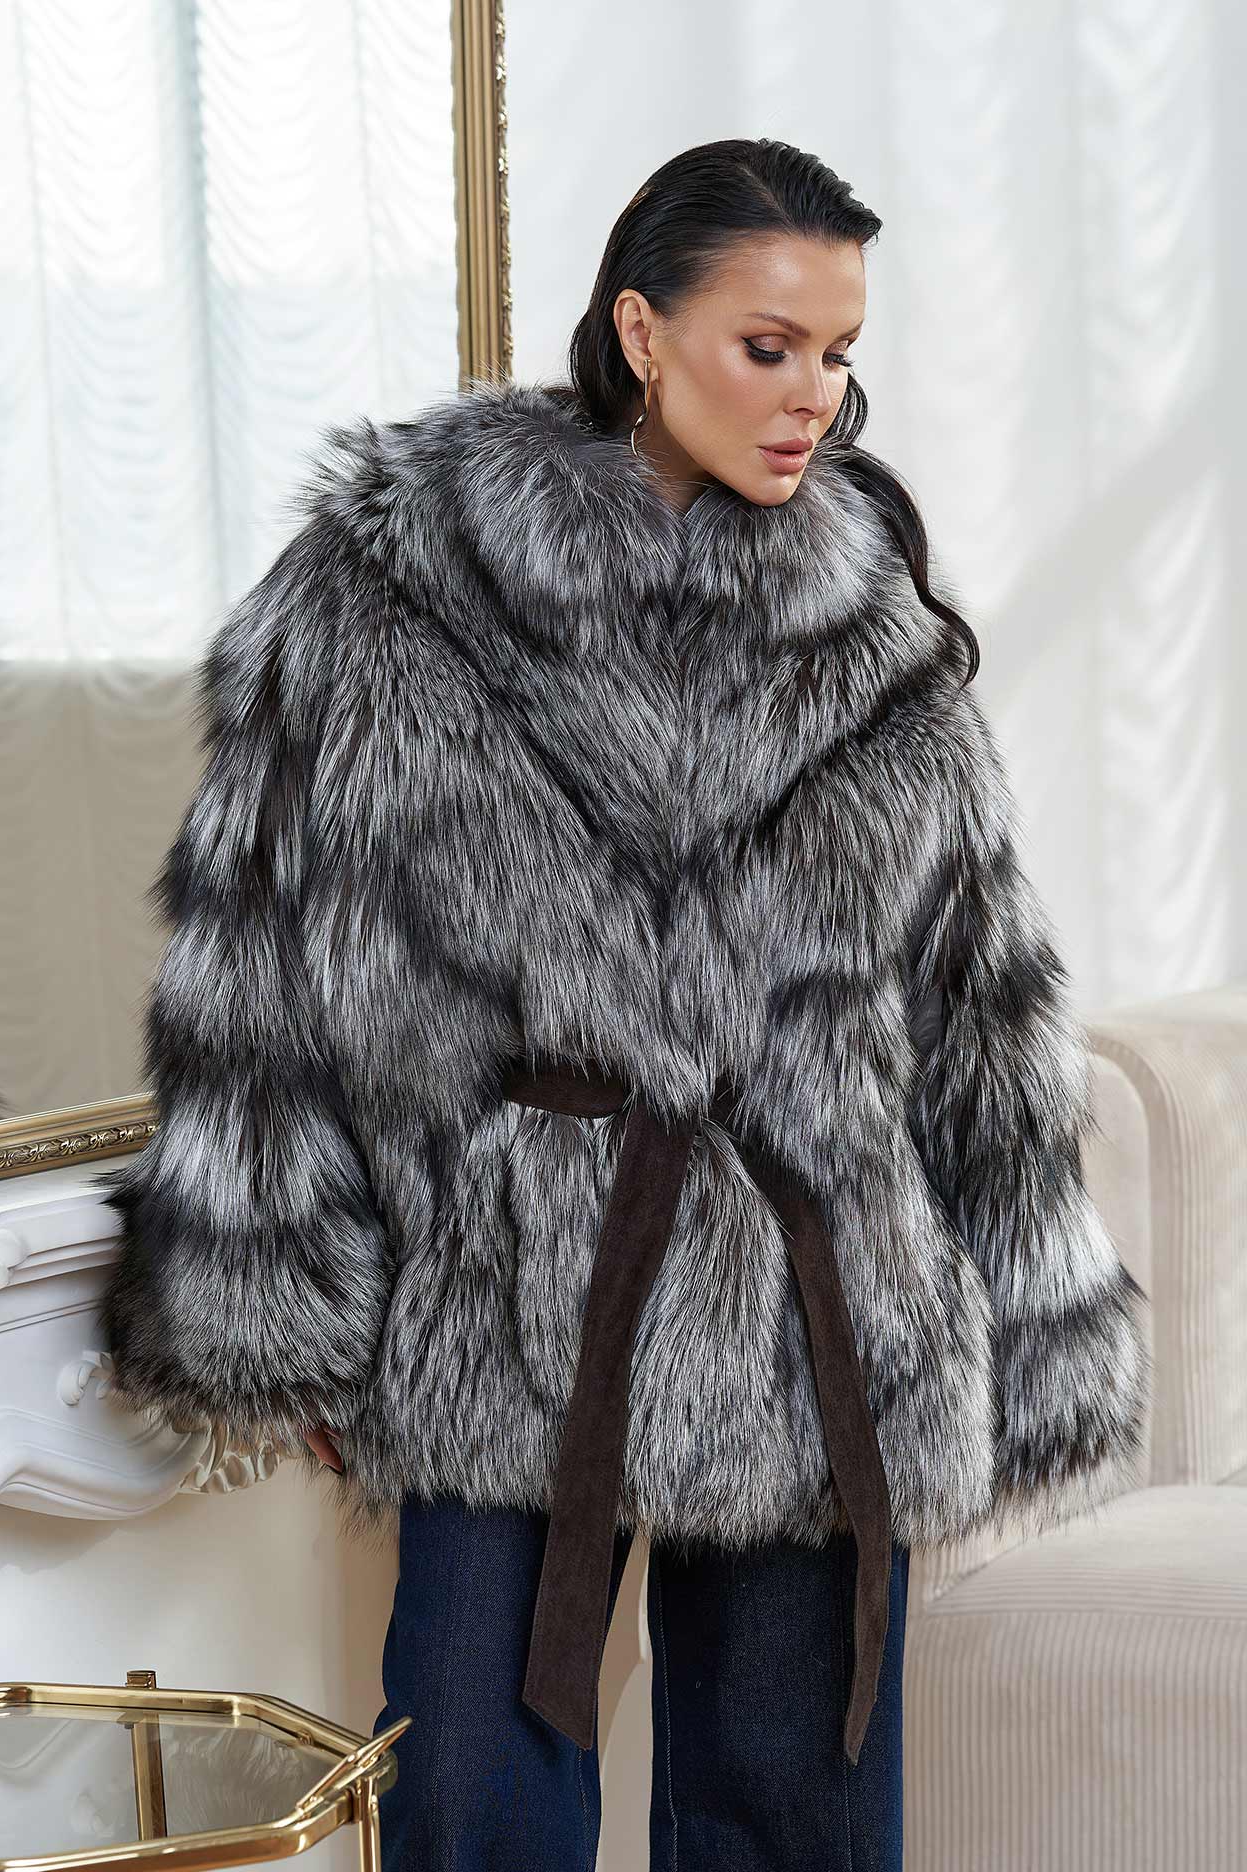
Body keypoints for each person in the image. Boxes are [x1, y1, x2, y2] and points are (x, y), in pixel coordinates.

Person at [91, 137, 1150, 1871]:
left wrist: (1035, 1321)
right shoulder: (388, 590)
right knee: (469, 1801)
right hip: (510, 1284)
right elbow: (257, 965)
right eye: (768, 345)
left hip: (821, 1285)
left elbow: (981, 1005)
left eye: (838, 352)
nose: (814, 396)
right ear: (641, 330)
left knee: (788, 1815)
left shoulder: (872, 626)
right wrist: (268, 1294)